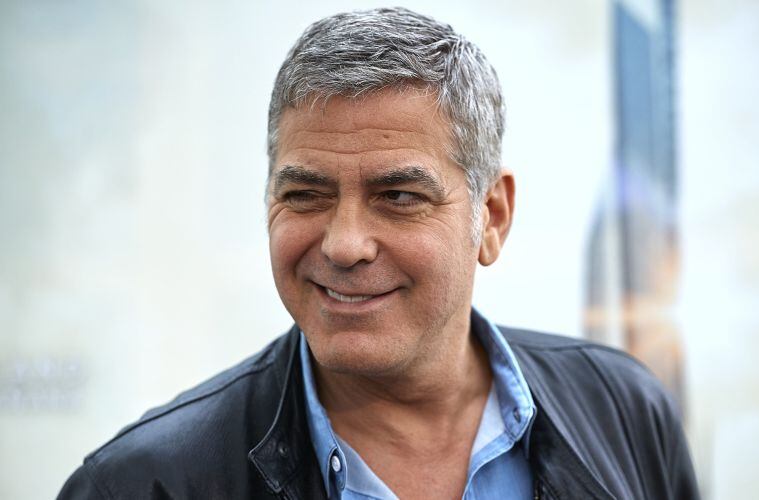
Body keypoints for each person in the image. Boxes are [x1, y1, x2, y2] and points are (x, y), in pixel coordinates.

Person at [58, 7, 698, 500]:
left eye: (397, 195)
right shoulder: (143, 485)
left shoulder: (623, 411)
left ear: (491, 216)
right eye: (306, 194)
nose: (344, 245)